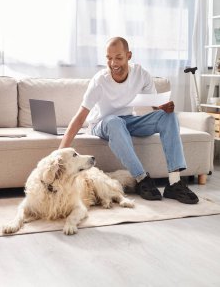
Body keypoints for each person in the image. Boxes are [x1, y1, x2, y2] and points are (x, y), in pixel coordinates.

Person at [59, 37, 199, 204]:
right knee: (114, 121)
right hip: (103, 124)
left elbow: (154, 104)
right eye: (109, 58)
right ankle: (142, 179)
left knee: (168, 117)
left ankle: (175, 182)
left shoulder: (141, 74)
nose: (113, 63)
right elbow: (79, 117)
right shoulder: (99, 81)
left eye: (118, 57)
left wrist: (163, 107)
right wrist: (59, 153)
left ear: (129, 55)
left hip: (128, 121)